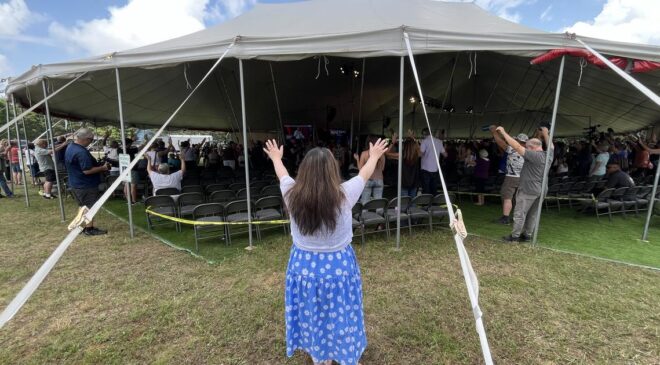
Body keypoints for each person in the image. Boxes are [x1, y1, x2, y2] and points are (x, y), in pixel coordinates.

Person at [263, 137, 389, 365]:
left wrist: (275, 158)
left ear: (304, 171)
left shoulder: (292, 194)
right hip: (338, 267)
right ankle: (339, 353)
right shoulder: (345, 194)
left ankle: (319, 356)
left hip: (303, 268)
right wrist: (374, 156)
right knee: (340, 313)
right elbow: (365, 174)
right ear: (333, 170)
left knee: (312, 313)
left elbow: (282, 174)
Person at [495, 126, 553, 243]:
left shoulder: (534, 155)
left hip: (529, 189)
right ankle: (527, 235)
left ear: (532, 148)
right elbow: (551, 145)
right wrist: (546, 134)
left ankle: (515, 236)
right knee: (532, 214)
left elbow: (516, 146)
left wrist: (503, 132)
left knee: (519, 213)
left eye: (527, 148)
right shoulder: (549, 154)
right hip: (542, 189)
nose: (525, 149)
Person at [65, 128, 110, 236]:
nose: (91, 142)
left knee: (83, 206)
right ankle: (89, 229)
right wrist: (103, 168)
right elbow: (86, 171)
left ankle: (80, 226)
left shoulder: (71, 147)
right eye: (91, 140)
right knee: (90, 207)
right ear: (86, 139)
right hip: (85, 184)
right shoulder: (81, 152)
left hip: (76, 182)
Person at [491, 126, 527, 224]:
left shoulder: (513, 149)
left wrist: (494, 133)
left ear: (518, 140)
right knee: (518, 198)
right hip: (523, 177)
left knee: (507, 197)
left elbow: (501, 143)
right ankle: (517, 218)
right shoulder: (529, 151)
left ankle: (505, 218)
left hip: (512, 177)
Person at [354, 136, 386, 204]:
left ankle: (365, 214)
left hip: (367, 180)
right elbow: (382, 169)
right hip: (379, 179)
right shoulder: (382, 155)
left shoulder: (364, 153)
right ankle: (379, 214)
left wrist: (357, 159)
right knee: (379, 203)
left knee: (364, 203)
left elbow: (360, 169)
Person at [419, 128, 447, 194]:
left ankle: (426, 203)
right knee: (434, 189)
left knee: (426, 189)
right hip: (435, 169)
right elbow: (445, 155)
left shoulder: (424, 141)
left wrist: (417, 147)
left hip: (425, 169)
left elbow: (420, 154)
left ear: (424, 134)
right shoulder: (439, 142)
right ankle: (434, 203)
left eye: (422, 134)